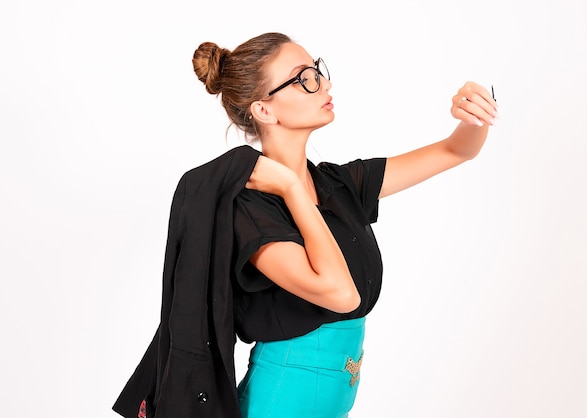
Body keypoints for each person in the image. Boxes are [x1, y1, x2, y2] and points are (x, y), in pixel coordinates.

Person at [113, 32, 498, 418]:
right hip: (279, 404)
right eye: (304, 78)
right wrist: (291, 188)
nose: (324, 83)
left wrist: (475, 112)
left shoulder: (340, 185)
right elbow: (340, 294)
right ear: (264, 110)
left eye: (318, 71)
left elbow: (456, 149)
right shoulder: (249, 208)